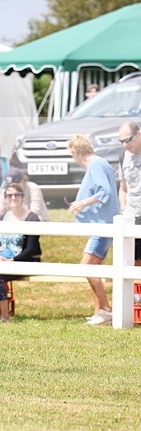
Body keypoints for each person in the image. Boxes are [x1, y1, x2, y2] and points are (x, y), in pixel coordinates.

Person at [66, 134, 120, 326]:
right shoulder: (103, 163)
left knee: (86, 266)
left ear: (75, 152)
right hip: (104, 224)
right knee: (93, 268)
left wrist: (82, 203)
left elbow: (103, 191)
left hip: (102, 225)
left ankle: (106, 310)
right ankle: (99, 312)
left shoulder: (95, 165)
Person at [0, 182, 42, 322]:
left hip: (25, 260)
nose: (13, 198)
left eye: (16, 195)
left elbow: (31, 249)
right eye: (9, 195)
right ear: (5, 198)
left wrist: (13, 260)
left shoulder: (32, 218)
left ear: (22, 197)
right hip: (3, 258)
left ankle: (5, 316)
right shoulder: (5, 216)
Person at [117, 120, 141, 266]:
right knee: (132, 260)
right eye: (121, 141)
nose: (125, 145)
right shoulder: (123, 157)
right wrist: (124, 210)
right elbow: (123, 188)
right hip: (131, 215)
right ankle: (135, 290)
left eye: (128, 140)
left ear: (139, 134)